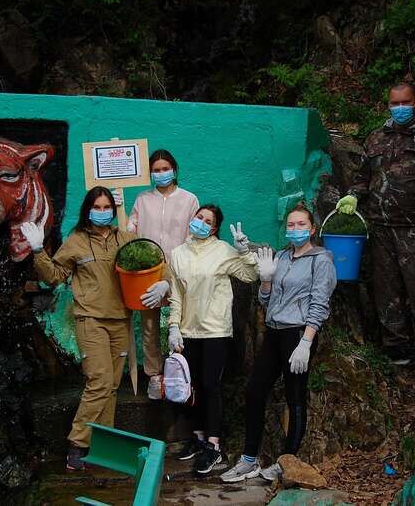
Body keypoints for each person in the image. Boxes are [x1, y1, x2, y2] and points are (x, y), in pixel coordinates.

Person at [20, 186, 169, 471]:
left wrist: (164, 282)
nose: (102, 212)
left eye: (107, 207)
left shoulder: (125, 239)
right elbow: (54, 276)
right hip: (91, 320)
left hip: (121, 320)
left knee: (111, 386)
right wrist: (38, 251)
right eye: (97, 207)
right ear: (87, 210)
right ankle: (77, 443)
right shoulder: (76, 241)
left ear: (113, 210)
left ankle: (103, 444)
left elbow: (155, 262)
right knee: (99, 381)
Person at [335, 82, 415, 384]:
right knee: (386, 289)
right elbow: (363, 176)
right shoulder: (376, 137)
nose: (400, 108)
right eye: (394, 103)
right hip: (380, 227)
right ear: (388, 105)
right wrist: (353, 195)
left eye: (405, 102)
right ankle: (397, 348)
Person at [220, 203, 337, 483]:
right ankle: (249, 459)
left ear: (312, 229)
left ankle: (287, 461)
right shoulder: (281, 256)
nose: (295, 229)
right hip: (274, 333)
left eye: (301, 224)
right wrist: (265, 280)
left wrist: (306, 342)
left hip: (298, 334)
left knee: (295, 397)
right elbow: (266, 301)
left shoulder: (321, 260)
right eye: (291, 225)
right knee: (254, 391)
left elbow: (320, 303)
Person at [167, 204, 258, 474]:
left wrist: (245, 252)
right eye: (199, 217)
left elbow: (250, 275)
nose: (202, 223)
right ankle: (198, 438)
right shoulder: (178, 253)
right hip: (188, 330)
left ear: (215, 228)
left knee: (211, 385)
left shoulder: (222, 251)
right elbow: (176, 295)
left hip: (215, 330)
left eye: (208, 221)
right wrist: (173, 327)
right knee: (193, 386)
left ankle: (214, 445)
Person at [127, 149, 200, 400]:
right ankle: (155, 375)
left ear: (174, 170)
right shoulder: (142, 199)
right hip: (148, 268)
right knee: (149, 325)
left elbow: (194, 235)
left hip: (179, 266)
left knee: (183, 320)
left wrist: (178, 270)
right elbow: (130, 230)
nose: (161, 173)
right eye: (156, 170)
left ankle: (182, 372)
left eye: (165, 169)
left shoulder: (189, 199)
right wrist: (120, 210)